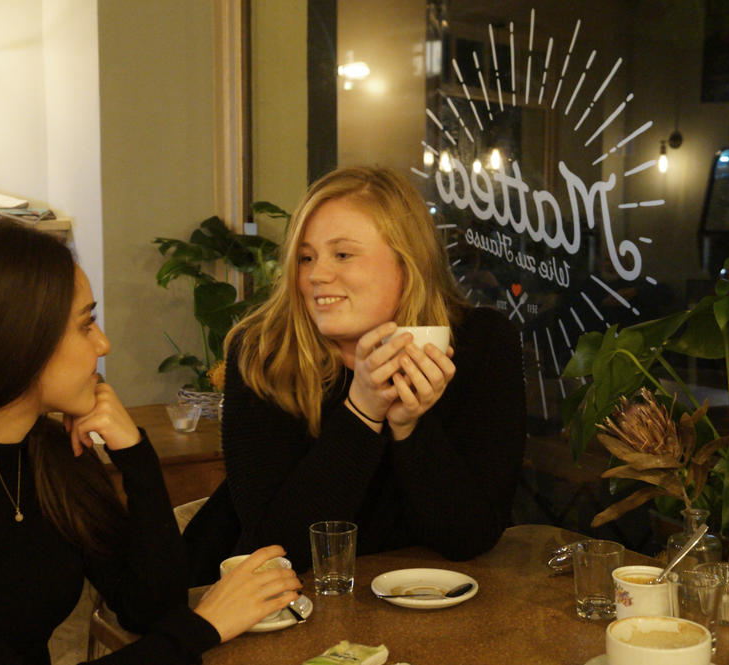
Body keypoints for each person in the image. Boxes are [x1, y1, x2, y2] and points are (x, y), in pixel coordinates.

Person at [0, 219, 300, 664]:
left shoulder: (49, 453)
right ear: (16, 341)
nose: (103, 344)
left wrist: (135, 456)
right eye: (85, 324)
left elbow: (148, 608)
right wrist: (205, 626)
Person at [183, 166, 526, 584]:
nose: (316, 275)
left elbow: (470, 537)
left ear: (408, 261)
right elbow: (279, 549)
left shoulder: (480, 345)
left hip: (425, 609)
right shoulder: (264, 353)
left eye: (342, 254)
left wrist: (409, 425)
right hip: (284, 605)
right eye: (306, 257)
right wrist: (363, 409)